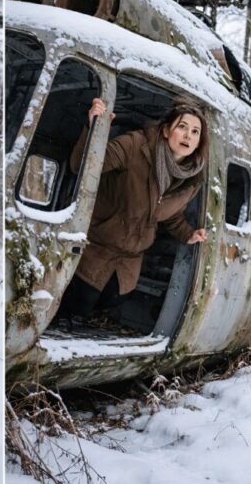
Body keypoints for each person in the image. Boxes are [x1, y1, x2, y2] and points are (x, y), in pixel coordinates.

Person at [57, 96, 209, 323]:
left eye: (195, 132)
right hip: (98, 242)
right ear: (166, 130)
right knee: (80, 302)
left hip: (130, 255)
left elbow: (171, 214)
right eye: (183, 127)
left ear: (199, 142)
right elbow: (82, 165)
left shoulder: (192, 179)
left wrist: (188, 234)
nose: (188, 135)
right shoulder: (135, 145)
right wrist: (93, 127)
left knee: (114, 299)